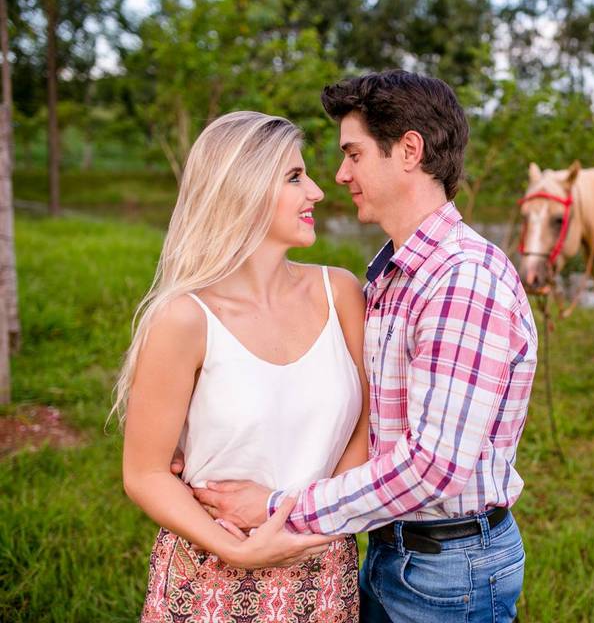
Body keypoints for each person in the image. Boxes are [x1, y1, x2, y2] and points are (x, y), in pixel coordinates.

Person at [192, 70, 539, 623]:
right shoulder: (392, 277)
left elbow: (432, 468)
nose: (340, 174)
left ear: (408, 150)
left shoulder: (461, 279)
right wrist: (210, 438)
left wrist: (282, 507)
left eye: (353, 154)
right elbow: (365, 416)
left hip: (448, 568)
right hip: (393, 548)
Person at [116, 111, 368, 622]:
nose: (317, 191)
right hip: (211, 579)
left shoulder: (341, 291)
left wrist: (316, 522)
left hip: (324, 571)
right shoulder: (184, 319)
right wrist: (237, 550)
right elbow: (145, 472)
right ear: (244, 189)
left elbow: (368, 426)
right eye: (295, 177)